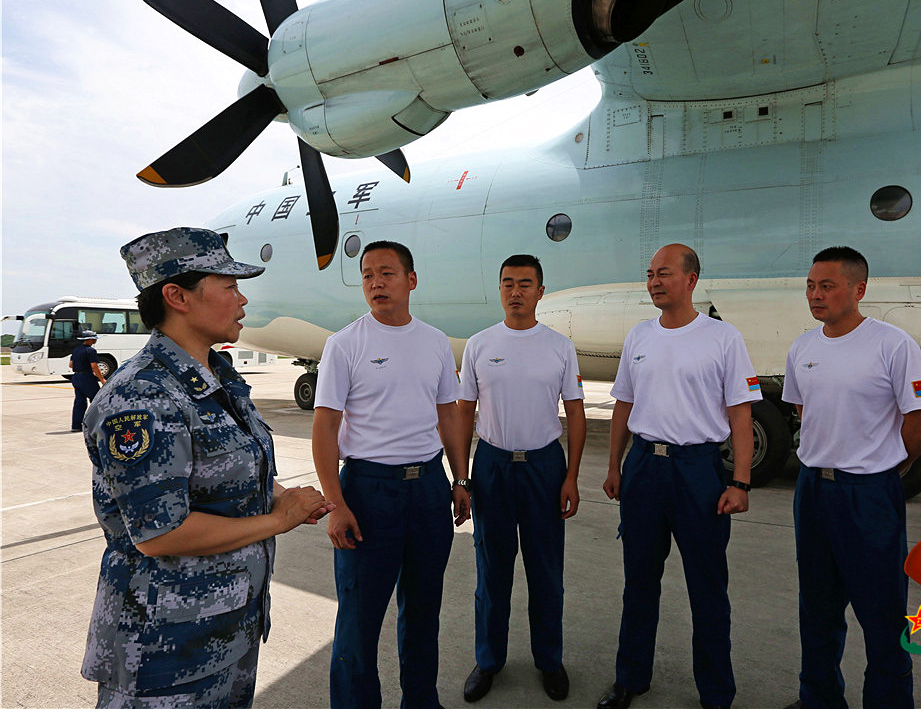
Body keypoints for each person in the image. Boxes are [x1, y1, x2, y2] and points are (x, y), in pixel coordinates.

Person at [81, 227, 333, 708]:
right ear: (177, 296)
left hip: (225, 630)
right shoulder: (144, 397)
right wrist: (281, 519)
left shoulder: (217, 376)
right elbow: (160, 533)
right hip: (162, 652)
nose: (242, 301)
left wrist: (280, 495)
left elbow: (235, 468)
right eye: (229, 287)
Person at [597, 243, 760, 709]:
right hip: (645, 468)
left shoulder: (722, 338)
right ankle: (630, 677)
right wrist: (614, 465)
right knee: (639, 581)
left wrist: (741, 481)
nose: (653, 282)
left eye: (663, 273)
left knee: (707, 586)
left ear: (690, 279)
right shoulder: (639, 337)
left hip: (699, 472)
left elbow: (740, 414)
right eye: (649, 274)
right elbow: (623, 405)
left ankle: (715, 692)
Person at [313, 240, 471, 709]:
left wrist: (460, 479)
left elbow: (449, 415)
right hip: (367, 490)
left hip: (428, 487)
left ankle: (421, 701)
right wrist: (336, 503)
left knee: (423, 611)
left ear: (411, 280)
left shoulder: (435, 342)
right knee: (359, 619)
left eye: (386, 273)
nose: (375, 283)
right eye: (367, 276)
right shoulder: (345, 344)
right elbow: (325, 427)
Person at [780, 246, 921, 709]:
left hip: (868, 494)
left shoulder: (892, 344)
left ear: (858, 289)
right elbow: (805, 412)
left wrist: (884, 468)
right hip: (812, 490)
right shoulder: (803, 347)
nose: (816, 294)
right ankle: (819, 699)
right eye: (810, 285)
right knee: (818, 608)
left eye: (827, 285)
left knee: (882, 614)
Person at [458, 254, 586, 703]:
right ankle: (488, 660)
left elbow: (575, 413)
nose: (517, 291)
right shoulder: (479, 344)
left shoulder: (559, 347)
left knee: (546, 571)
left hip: (544, 468)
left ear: (540, 291)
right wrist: (462, 477)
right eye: (509, 283)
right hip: (492, 466)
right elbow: (463, 411)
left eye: (526, 284)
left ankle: (549, 660)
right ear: (500, 290)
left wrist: (570, 476)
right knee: (492, 570)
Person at [70, 329, 106, 431]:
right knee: (96, 401)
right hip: (87, 378)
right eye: (94, 339)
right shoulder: (91, 351)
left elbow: (71, 365)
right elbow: (94, 366)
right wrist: (102, 379)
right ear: (89, 340)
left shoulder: (76, 350)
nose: (95, 340)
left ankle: (76, 426)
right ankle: (97, 424)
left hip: (76, 377)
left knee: (79, 402)